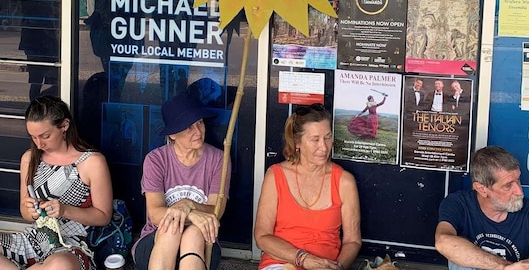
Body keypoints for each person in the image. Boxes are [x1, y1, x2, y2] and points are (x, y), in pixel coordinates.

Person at [0, 96, 113, 270]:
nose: (39, 144)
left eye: (45, 136)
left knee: (61, 265)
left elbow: (103, 216)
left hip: (72, 245)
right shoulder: (29, 158)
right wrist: (32, 210)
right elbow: (25, 211)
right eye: (33, 137)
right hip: (33, 239)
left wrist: (65, 210)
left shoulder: (92, 162)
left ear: (64, 125)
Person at [254, 103, 362, 270]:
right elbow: (262, 236)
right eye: (315, 139)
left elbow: (352, 241)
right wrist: (302, 259)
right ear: (297, 142)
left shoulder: (344, 181)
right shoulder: (276, 176)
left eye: (328, 137)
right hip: (281, 263)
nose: (324, 147)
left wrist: (338, 267)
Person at [435, 146, 529, 270]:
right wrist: (506, 267)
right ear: (482, 189)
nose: (519, 192)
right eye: (508, 185)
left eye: (518, 180)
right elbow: (443, 242)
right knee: (459, 253)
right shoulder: (459, 203)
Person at [133, 94, 228, 270]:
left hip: (202, 242)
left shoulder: (219, 159)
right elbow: (155, 214)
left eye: (200, 122)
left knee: (193, 233)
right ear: (173, 134)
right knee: (171, 229)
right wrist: (190, 213)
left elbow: (216, 210)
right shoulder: (156, 160)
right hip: (155, 242)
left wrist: (187, 204)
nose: (198, 132)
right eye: (188, 127)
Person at [19, 0, 61, 100]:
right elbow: (39, 17)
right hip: (40, 40)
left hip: (43, 39)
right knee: (40, 80)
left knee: (47, 80)